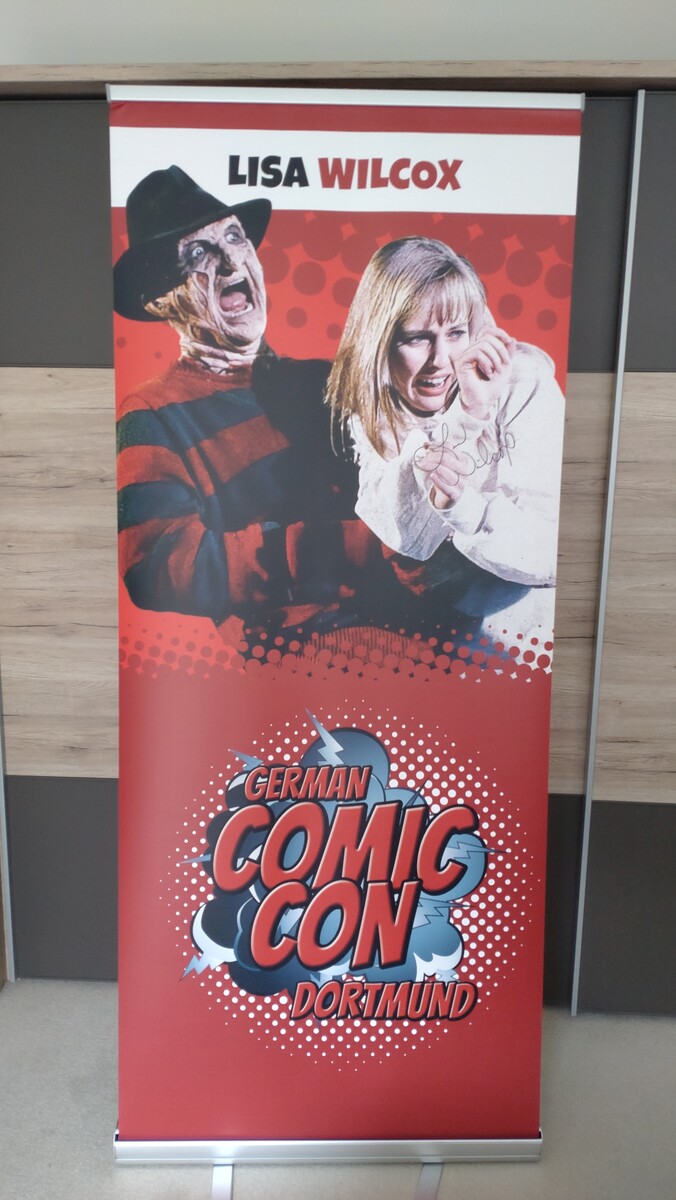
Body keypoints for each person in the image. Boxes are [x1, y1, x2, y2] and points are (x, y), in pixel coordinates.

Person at [114, 166, 379, 641]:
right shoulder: (150, 413)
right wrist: (348, 549)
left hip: (404, 616)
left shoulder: (325, 380)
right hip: (301, 653)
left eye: (235, 238)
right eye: (198, 253)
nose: (230, 262)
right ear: (159, 300)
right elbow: (155, 566)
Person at [325, 237, 566, 642]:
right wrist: (466, 417)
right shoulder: (375, 405)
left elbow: (553, 551)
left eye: (456, 333)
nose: (440, 360)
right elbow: (406, 538)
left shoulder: (522, 382)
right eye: (417, 337)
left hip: (533, 631)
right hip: (442, 630)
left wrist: (466, 508)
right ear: (380, 339)